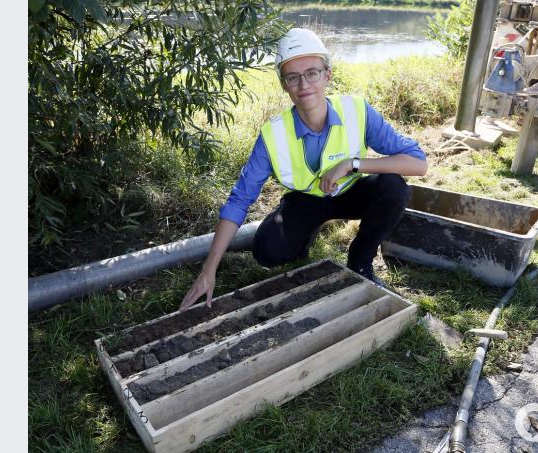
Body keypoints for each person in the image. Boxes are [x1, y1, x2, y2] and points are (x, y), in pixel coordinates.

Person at [179, 28, 427, 311]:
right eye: (293, 77)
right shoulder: (273, 135)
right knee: (266, 252)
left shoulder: (356, 111)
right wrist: (208, 270)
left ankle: (360, 261)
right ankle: (305, 236)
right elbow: (239, 200)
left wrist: (351, 164)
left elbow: (418, 162)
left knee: (393, 186)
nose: (303, 84)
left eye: (312, 73)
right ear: (284, 84)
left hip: (350, 191)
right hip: (305, 201)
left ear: (328, 75)